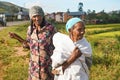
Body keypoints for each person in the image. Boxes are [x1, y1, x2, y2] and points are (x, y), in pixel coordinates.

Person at [9, 6, 56, 80]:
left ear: (42, 16)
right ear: (31, 17)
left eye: (39, 15)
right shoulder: (30, 29)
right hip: (34, 69)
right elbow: (29, 46)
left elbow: (57, 46)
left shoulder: (50, 28)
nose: (37, 19)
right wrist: (17, 37)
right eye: (34, 16)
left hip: (47, 68)